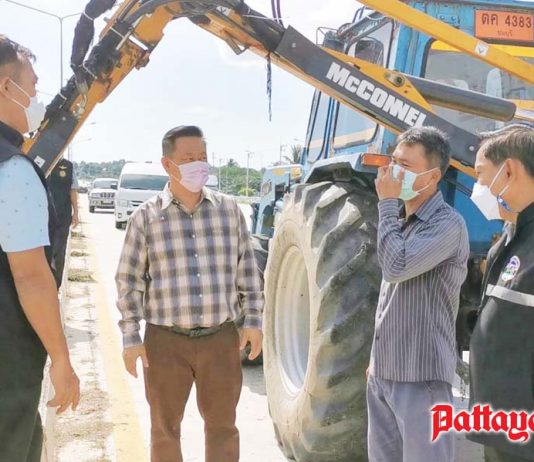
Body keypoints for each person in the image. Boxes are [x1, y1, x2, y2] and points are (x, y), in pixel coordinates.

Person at [115, 125, 264, 462]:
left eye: (202, 157)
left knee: (223, 427)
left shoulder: (229, 211)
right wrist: (131, 337)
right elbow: (129, 281)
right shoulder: (146, 217)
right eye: (188, 159)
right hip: (165, 342)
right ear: (167, 164)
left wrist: (254, 321)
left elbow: (248, 272)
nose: (198, 165)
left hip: (221, 339)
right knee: (164, 429)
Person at [367, 126, 470, 462]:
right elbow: (390, 297)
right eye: (394, 162)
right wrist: (376, 361)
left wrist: (386, 203)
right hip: (384, 375)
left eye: (406, 166)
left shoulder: (447, 224)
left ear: (433, 176)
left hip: (420, 378)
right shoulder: (401, 223)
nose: (394, 172)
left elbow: (396, 267)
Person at [0, 36, 80, 461]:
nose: (36, 97)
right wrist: (61, 360)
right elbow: (30, 275)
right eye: (32, 84)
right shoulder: (13, 172)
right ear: (6, 88)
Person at [468, 126, 534, 462]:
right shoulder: (511, 237)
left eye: (480, 174)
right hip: (500, 426)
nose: (478, 187)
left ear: (508, 171)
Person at [47, 157, 80, 287]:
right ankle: (45, 283)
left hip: (62, 215)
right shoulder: (43, 159)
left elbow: (73, 190)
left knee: (59, 250)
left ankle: (56, 285)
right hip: (43, 216)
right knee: (45, 251)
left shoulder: (68, 166)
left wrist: (75, 212)